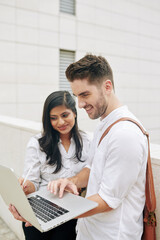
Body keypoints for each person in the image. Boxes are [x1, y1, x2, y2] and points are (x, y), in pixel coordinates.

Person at [47, 54, 148, 240]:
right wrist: (72, 182)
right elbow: (92, 169)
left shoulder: (125, 134)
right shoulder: (104, 124)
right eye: (77, 96)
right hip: (90, 231)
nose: (80, 104)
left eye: (85, 94)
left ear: (107, 87)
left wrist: (53, 211)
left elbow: (108, 201)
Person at [9, 90, 90, 240]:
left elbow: (90, 175)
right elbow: (32, 181)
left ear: (74, 113)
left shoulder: (87, 142)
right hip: (40, 212)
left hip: (71, 215)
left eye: (65, 115)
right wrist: (25, 187)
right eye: (53, 118)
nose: (60, 122)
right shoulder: (37, 143)